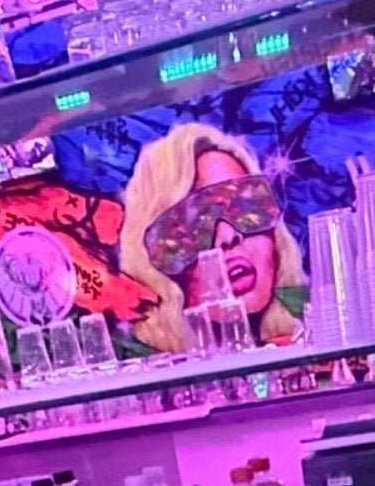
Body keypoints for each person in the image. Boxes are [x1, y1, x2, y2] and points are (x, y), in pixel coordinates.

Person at [116, 122, 305, 354]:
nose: (228, 237)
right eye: (195, 223)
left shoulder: (322, 339)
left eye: (245, 207)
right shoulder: (138, 369)